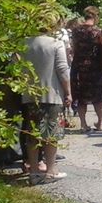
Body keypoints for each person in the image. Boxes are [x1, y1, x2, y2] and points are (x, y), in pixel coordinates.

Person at [21, 10, 72, 184]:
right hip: (52, 94)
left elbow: (15, 68)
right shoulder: (56, 44)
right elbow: (62, 70)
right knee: (52, 134)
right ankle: (51, 170)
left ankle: (34, 171)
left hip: (29, 95)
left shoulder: (24, 43)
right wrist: (68, 92)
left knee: (32, 134)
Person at [71, 6, 102, 132]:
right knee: (98, 98)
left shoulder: (76, 31)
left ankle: (83, 124)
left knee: (81, 97)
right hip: (95, 68)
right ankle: (100, 123)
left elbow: (73, 48)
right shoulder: (99, 32)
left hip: (79, 66)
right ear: (96, 16)